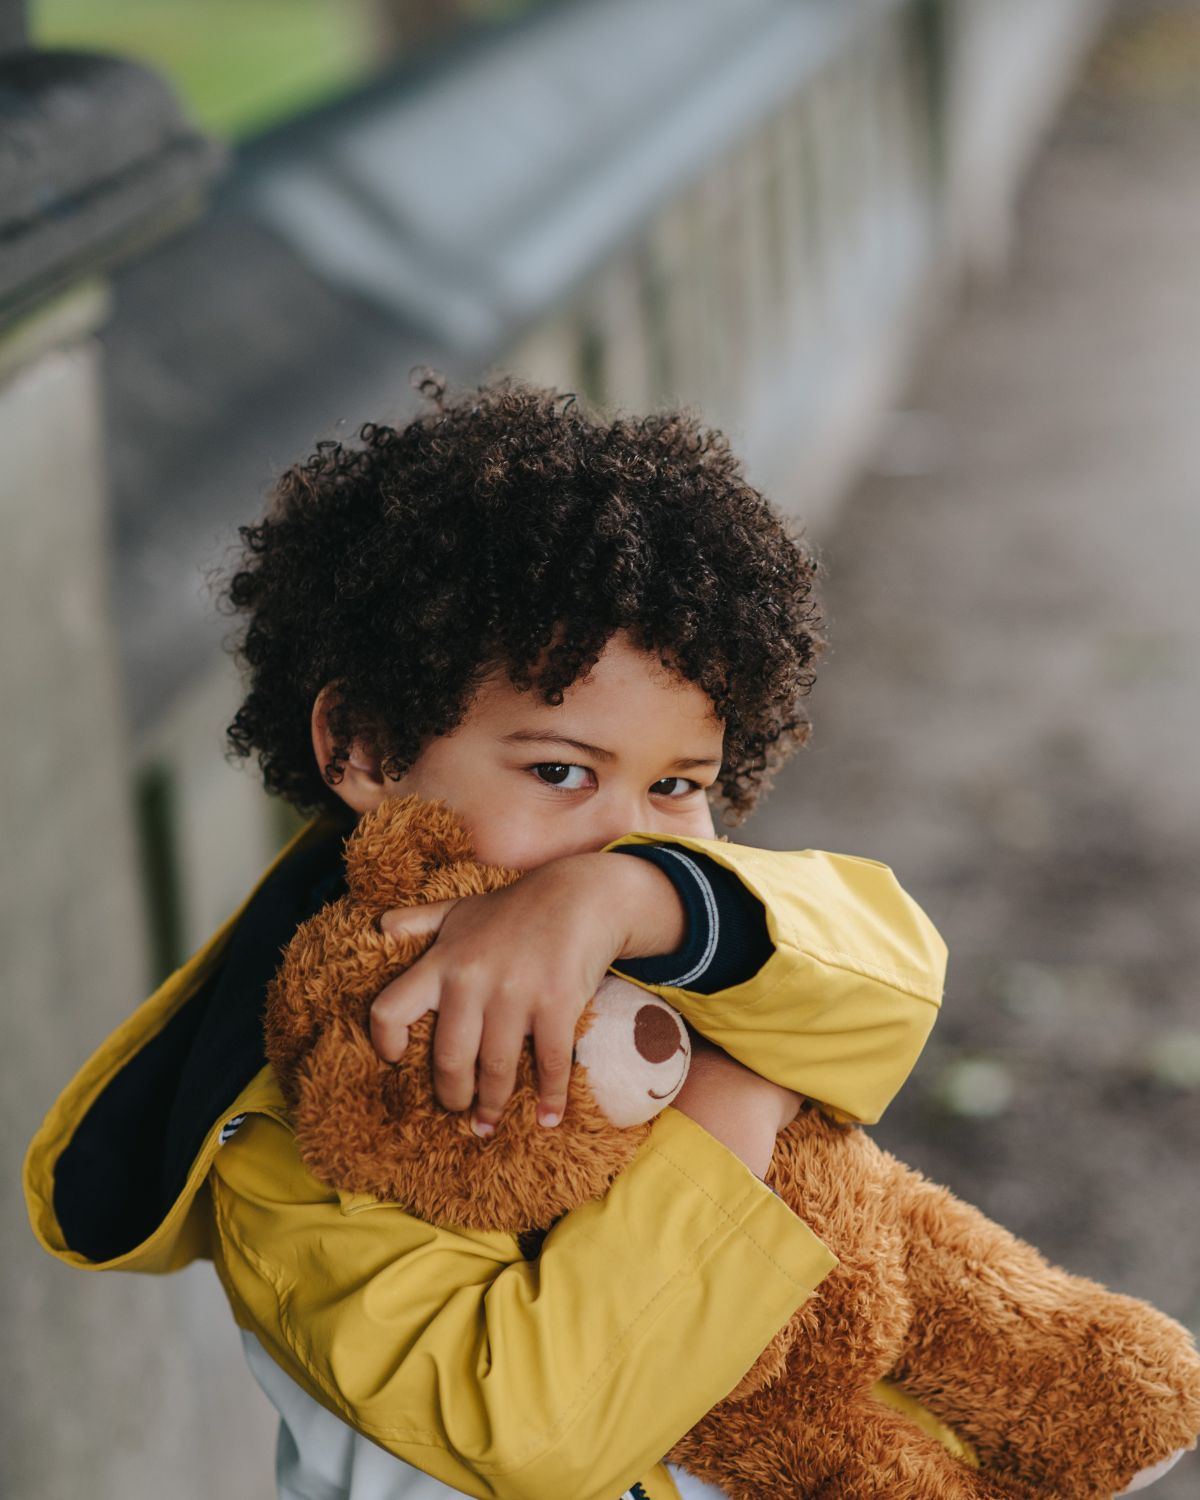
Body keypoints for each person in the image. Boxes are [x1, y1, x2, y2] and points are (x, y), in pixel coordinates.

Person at [25, 377, 948, 1500]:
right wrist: (734, 1105)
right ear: (362, 745)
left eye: (676, 785)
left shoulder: (669, 928)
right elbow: (527, 1431)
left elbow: (895, 970)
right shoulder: (309, 1118)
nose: (622, 833)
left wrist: (624, 901)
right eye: (560, 771)